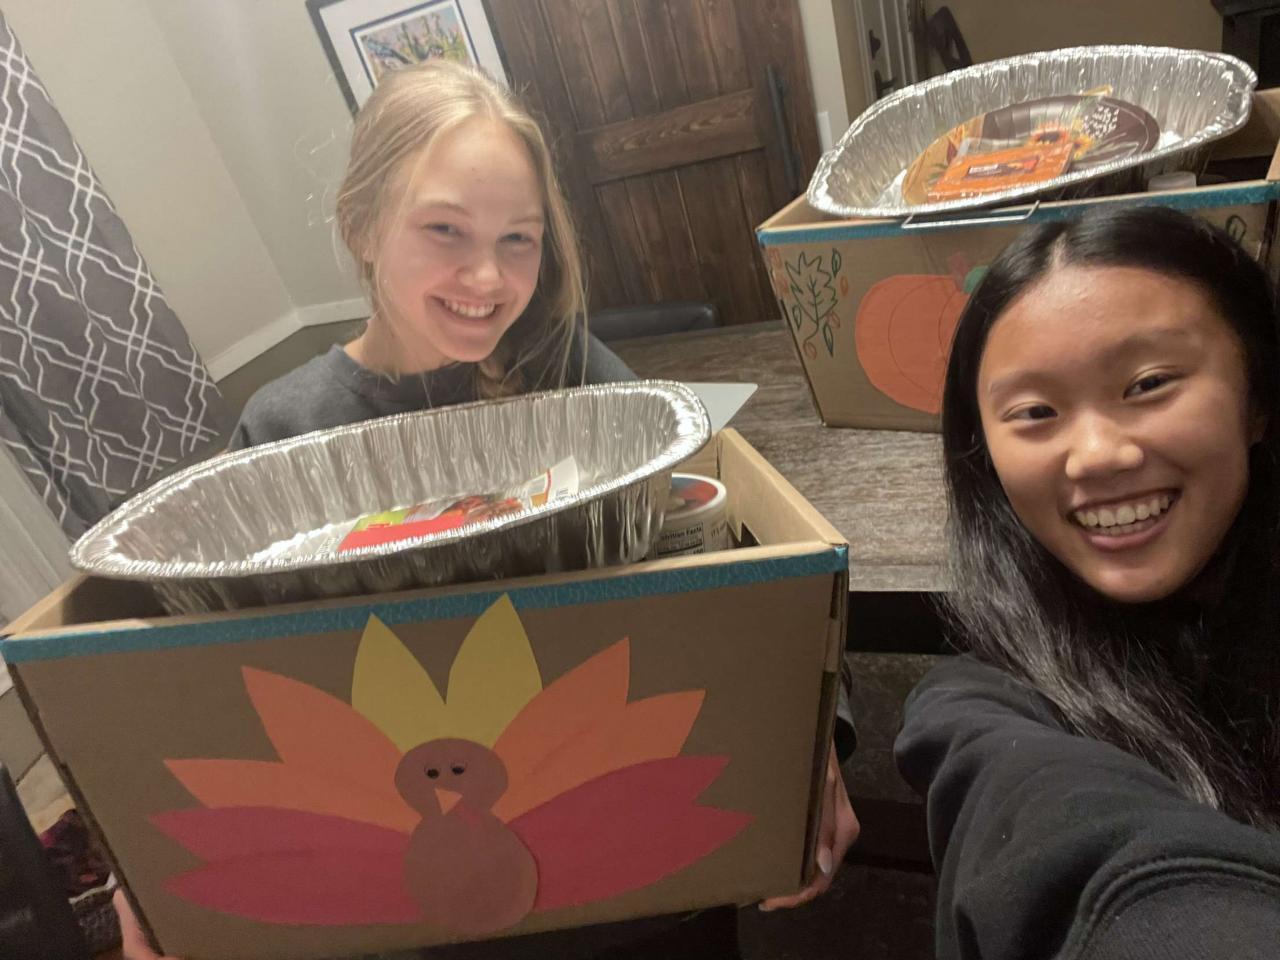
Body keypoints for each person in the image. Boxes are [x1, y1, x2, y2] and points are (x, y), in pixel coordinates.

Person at [116, 58, 858, 959]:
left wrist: (811, 729)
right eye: (445, 229)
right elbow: (199, 680)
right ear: (360, 226)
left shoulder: (570, 373)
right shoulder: (284, 430)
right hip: (425, 911)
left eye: (519, 239)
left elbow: (735, 556)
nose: (488, 276)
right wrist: (141, 855)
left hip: (642, 874)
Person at [896, 205, 1280, 960]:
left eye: (1149, 383)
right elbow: (1055, 832)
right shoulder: (982, 711)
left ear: (1257, 398)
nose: (1097, 454)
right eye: (1035, 412)